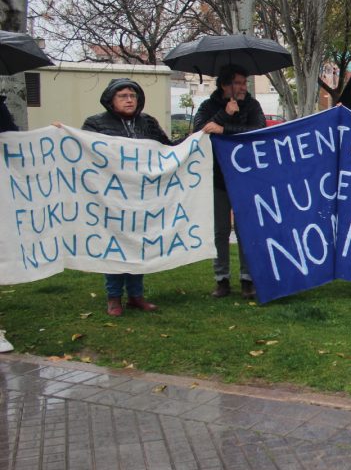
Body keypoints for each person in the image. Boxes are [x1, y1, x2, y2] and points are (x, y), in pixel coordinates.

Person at [82, 78, 172, 316]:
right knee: (115, 245)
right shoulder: (95, 124)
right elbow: (83, 153)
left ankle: (136, 295)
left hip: (141, 195)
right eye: (123, 96)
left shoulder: (148, 123)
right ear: (111, 100)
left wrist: (196, 137)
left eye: (133, 95)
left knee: (137, 244)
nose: (129, 100)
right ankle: (114, 297)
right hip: (110, 196)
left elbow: (167, 150)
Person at [193, 64, 266, 299]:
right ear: (225, 85)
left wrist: (225, 128)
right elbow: (199, 130)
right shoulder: (208, 106)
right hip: (217, 177)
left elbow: (257, 131)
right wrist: (225, 113)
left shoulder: (253, 106)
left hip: (246, 178)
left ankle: (248, 279)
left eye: (244, 83)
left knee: (246, 229)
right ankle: (221, 279)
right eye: (238, 83)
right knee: (220, 231)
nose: (243, 87)